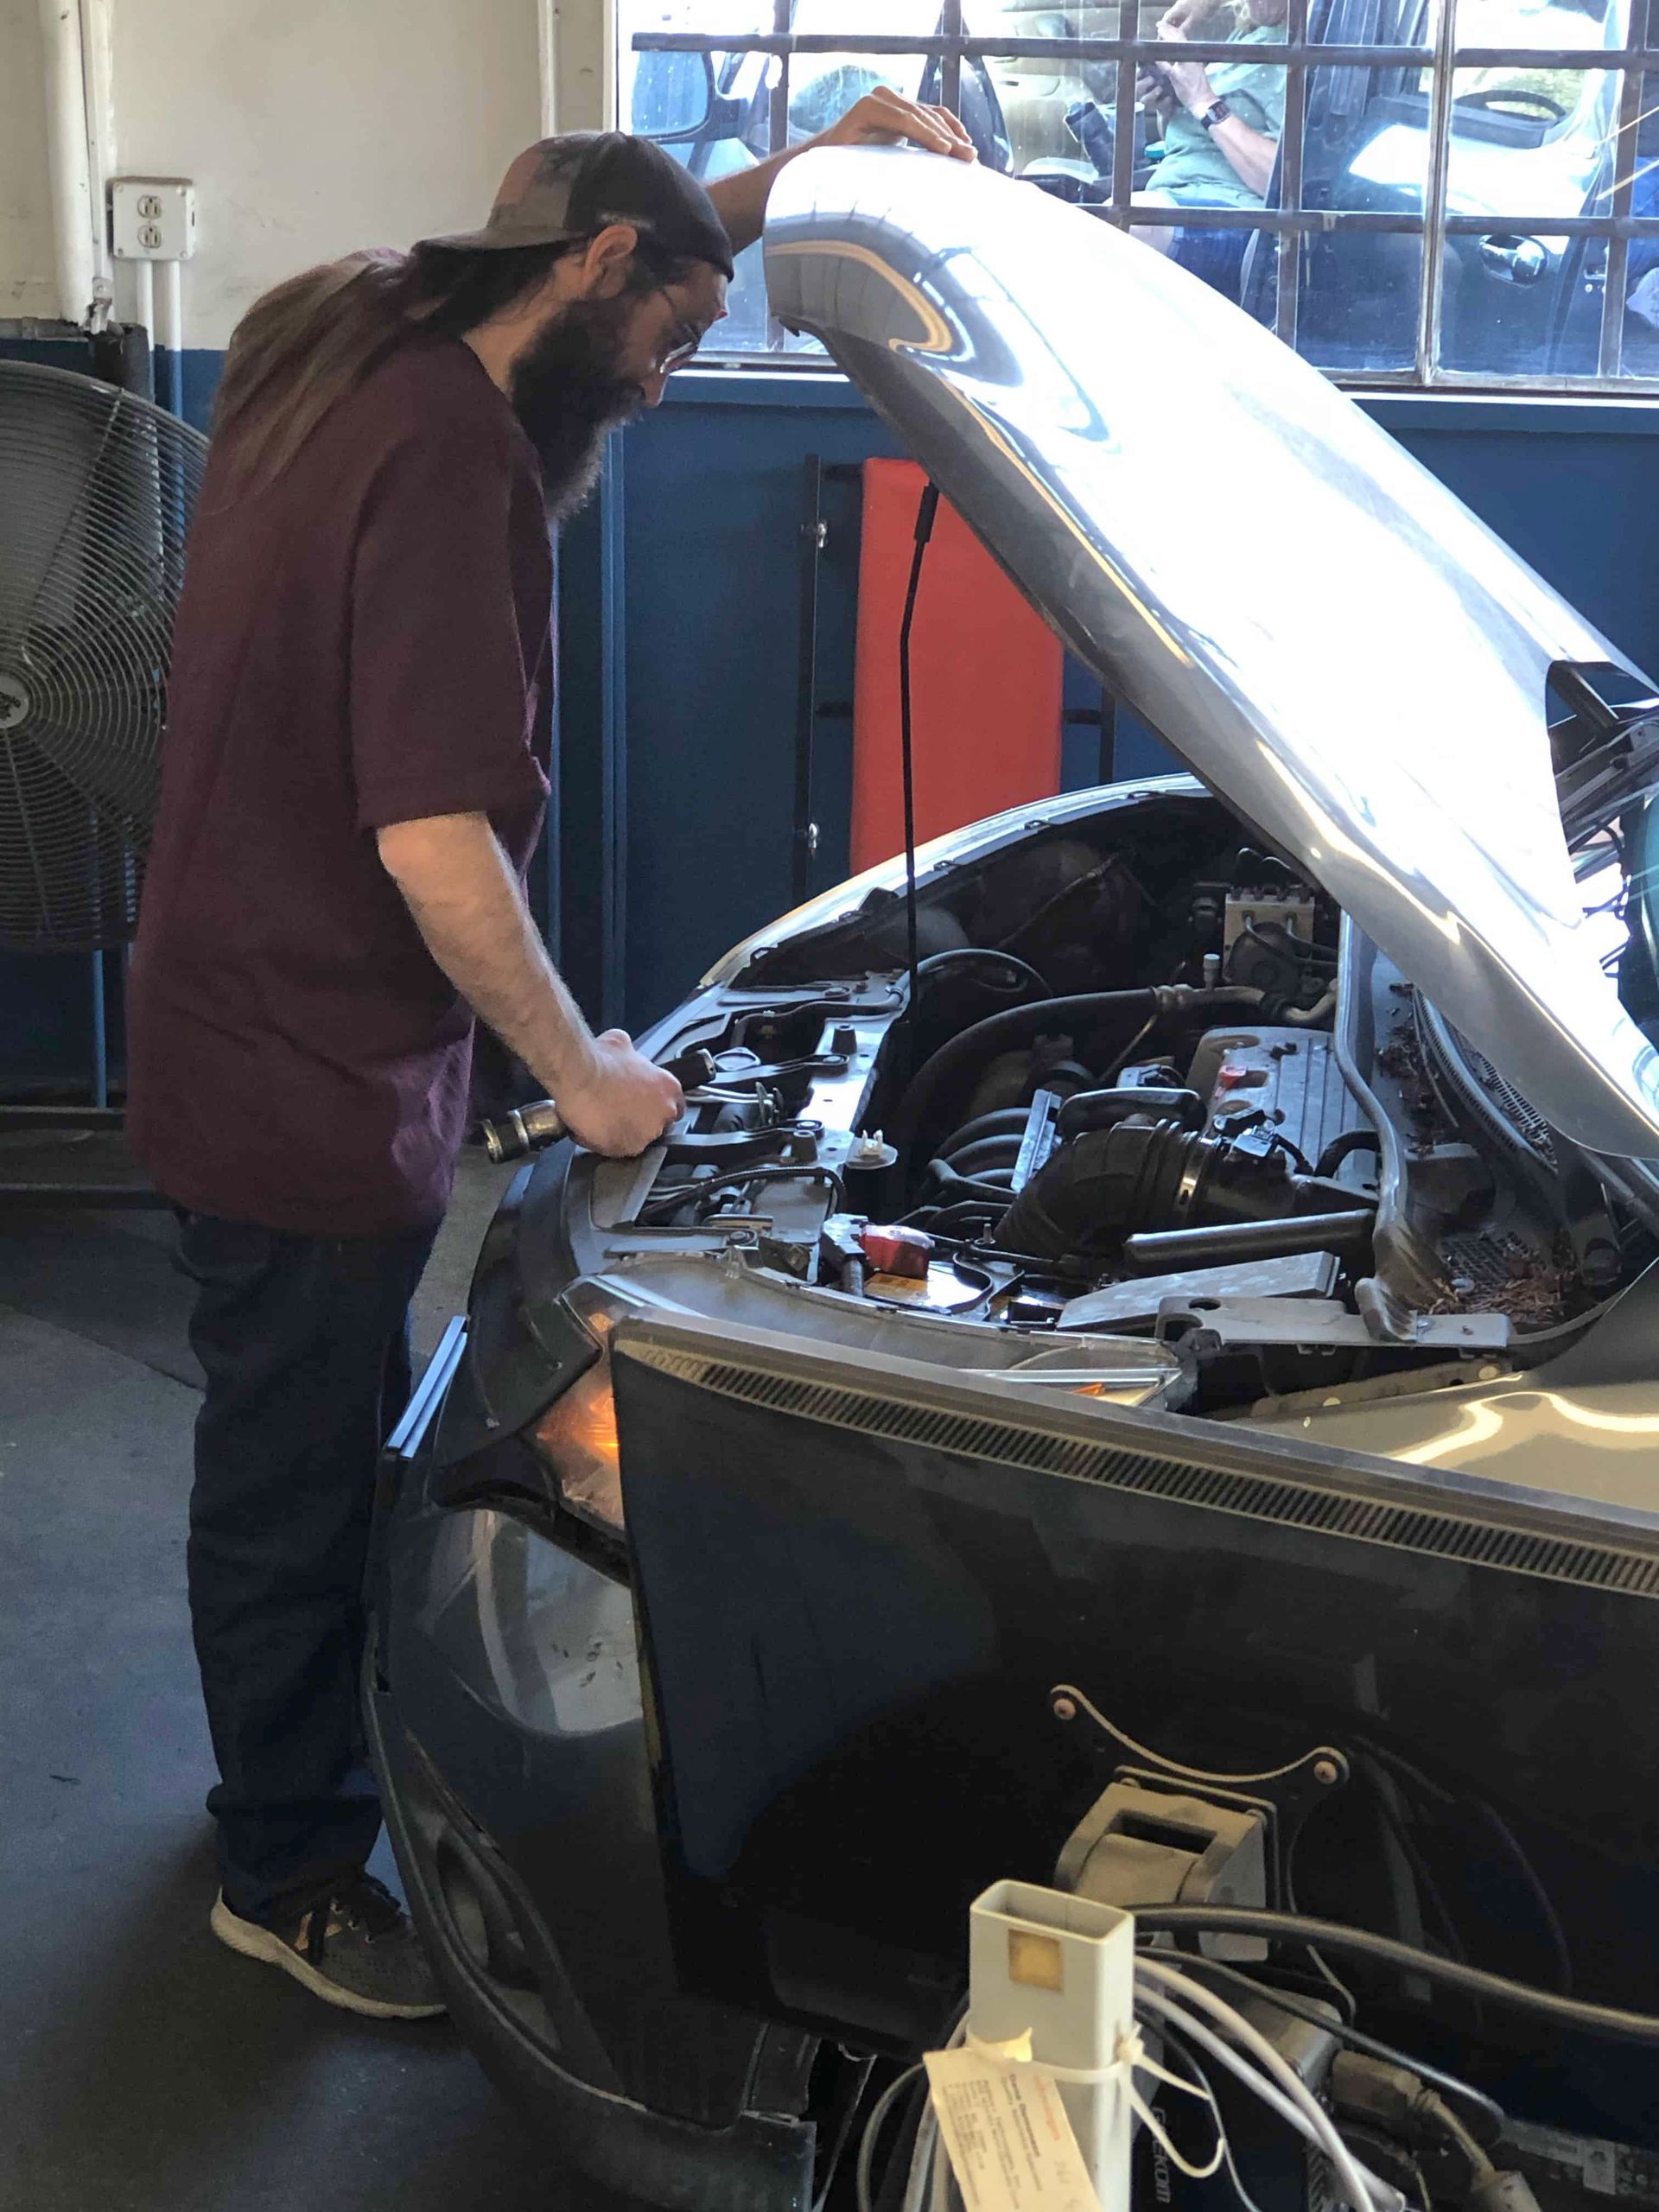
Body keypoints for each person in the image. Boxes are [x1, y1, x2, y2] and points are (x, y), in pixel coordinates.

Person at [126, 96, 973, 2023]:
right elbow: (435, 840)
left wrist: (760, 192)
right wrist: (587, 1071)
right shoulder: (456, 466)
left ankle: (293, 1774)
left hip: (244, 1006)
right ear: (596, 278)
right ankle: (286, 1866)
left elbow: (582, 226)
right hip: (298, 1063)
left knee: (323, 1433)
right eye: (675, 338)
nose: (669, 390)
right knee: (289, 1474)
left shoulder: (334, 322)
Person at [1133, 0, 1288, 300]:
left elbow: (1287, 182)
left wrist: (1202, 99)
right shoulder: (1254, 33)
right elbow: (1201, 145)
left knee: (1125, 224)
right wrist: (1171, 107)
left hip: (1242, 219)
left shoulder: (1306, 52)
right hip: (1176, 192)